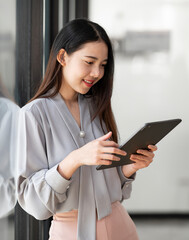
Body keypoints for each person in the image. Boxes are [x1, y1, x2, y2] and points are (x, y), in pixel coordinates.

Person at [15, 19, 157, 240]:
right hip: (70, 231)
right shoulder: (33, 115)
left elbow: (113, 187)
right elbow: (33, 202)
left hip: (120, 225)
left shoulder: (97, 106)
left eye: (102, 64)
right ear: (62, 57)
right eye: (89, 62)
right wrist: (74, 160)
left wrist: (129, 168)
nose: (97, 73)